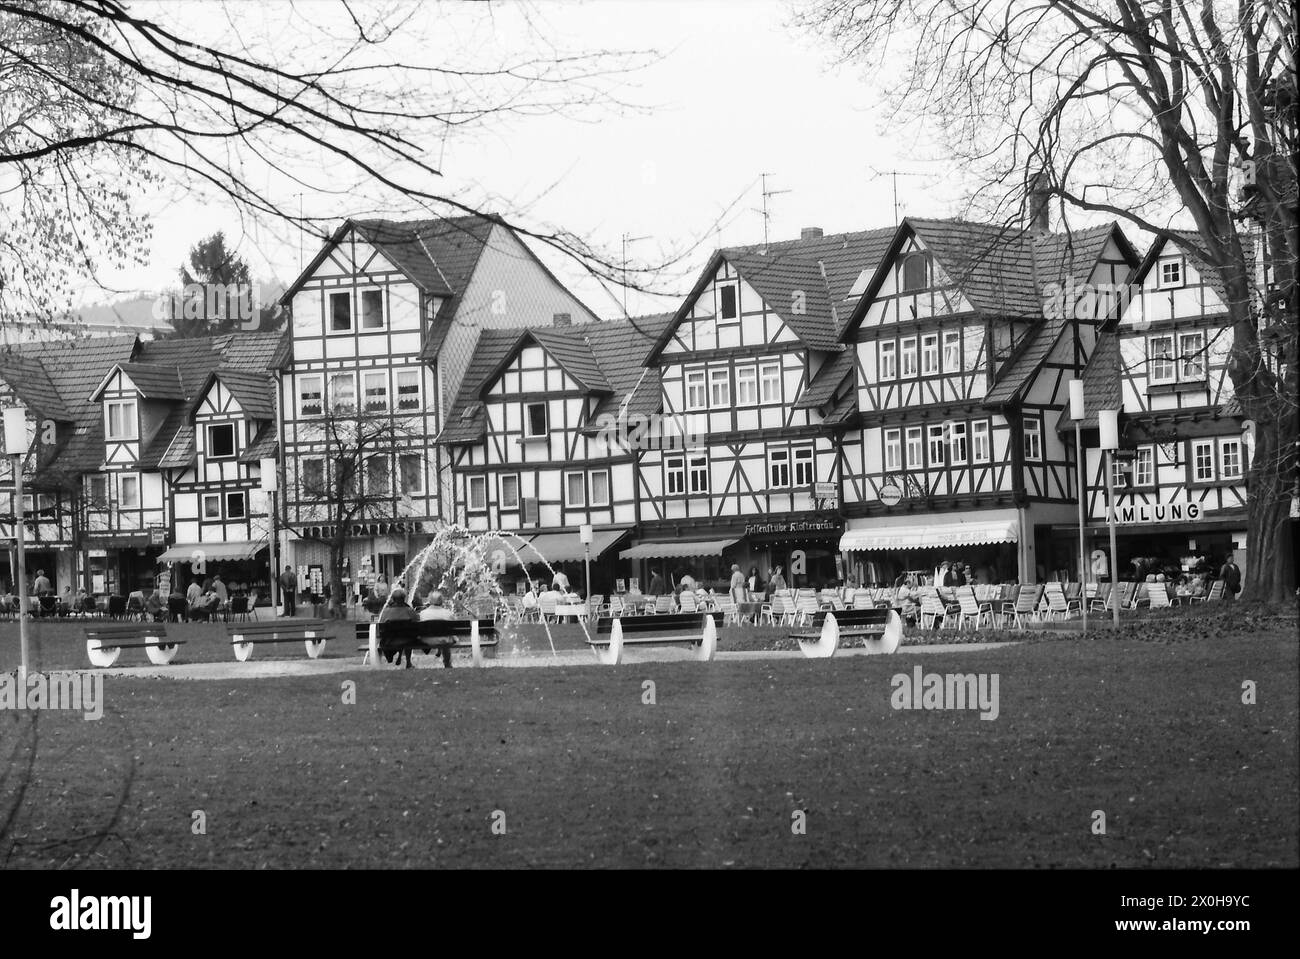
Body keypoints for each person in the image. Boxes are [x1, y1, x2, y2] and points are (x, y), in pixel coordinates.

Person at [378, 587, 420, 667]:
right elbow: (417, 620)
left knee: (400, 634)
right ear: (404, 599)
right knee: (408, 634)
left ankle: (395, 657)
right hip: (408, 640)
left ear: (393, 599)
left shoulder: (386, 611)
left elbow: (381, 623)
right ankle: (408, 662)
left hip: (390, 641)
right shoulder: (409, 611)